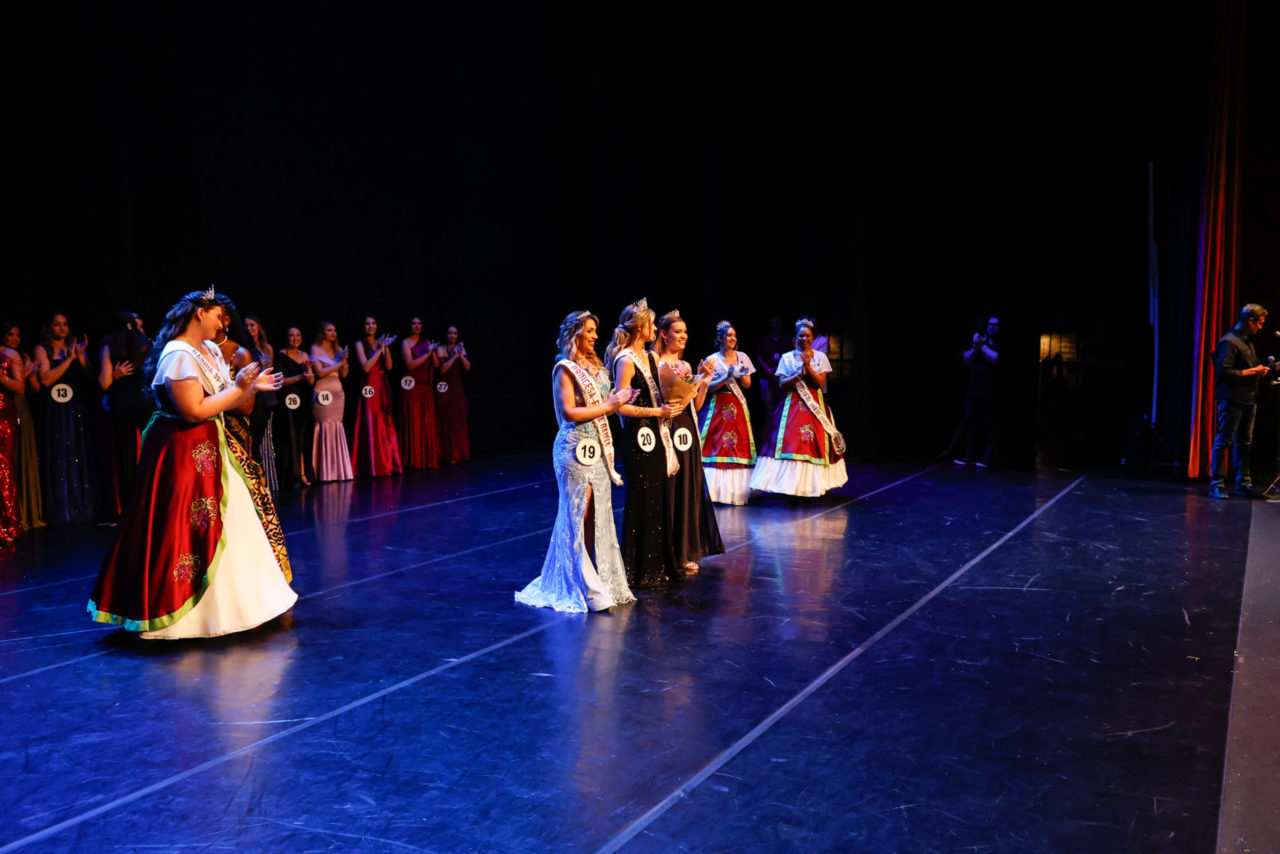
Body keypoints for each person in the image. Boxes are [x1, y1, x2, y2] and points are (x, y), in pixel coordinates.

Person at [87, 289, 296, 639]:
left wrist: (250, 387)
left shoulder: (208, 350)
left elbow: (221, 396)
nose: (222, 324)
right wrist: (240, 388)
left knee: (233, 523)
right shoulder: (178, 354)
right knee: (185, 530)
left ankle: (245, 607)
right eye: (217, 316)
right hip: (184, 452)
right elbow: (193, 410)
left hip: (211, 447)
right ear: (199, 313)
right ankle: (187, 615)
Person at [516, 311, 638, 612]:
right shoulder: (564, 368)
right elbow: (569, 412)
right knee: (576, 515)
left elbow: (604, 407)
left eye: (595, 330)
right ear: (575, 334)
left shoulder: (596, 366)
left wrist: (620, 401)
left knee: (598, 517)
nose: (595, 336)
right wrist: (610, 404)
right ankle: (584, 587)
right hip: (573, 449)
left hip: (597, 448)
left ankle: (597, 581)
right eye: (590, 330)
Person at [607, 298, 684, 589]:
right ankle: (638, 570)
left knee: (659, 498)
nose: (655, 329)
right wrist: (657, 412)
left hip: (655, 435)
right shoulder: (626, 359)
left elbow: (661, 391)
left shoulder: (651, 357)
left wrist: (679, 396)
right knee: (642, 500)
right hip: (637, 439)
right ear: (640, 328)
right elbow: (621, 407)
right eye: (652, 324)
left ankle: (659, 565)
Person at [214, 299, 291, 574]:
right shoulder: (199, 351)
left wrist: (212, 400)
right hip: (207, 433)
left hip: (234, 432)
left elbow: (246, 406)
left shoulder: (240, 354)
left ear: (225, 321)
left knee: (241, 495)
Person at [653, 310, 723, 573]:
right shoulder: (656, 363)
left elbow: (696, 405)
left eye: (685, 332)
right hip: (668, 427)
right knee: (672, 488)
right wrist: (696, 384)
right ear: (664, 334)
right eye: (677, 331)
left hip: (687, 428)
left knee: (687, 487)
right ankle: (667, 552)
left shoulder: (686, 366)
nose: (683, 336)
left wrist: (703, 382)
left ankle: (684, 550)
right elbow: (670, 400)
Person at [750, 318, 848, 497]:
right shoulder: (787, 358)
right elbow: (782, 383)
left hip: (815, 403)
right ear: (794, 339)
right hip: (792, 404)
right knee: (791, 442)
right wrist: (798, 374)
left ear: (812, 338)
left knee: (815, 442)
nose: (804, 338)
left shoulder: (820, 357)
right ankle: (792, 486)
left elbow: (820, 383)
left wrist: (808, 367)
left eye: (808, 336)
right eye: (801, 336)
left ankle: (812, 485)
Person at [34, 312, 99, 524]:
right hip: (55, 409)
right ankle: (60, 510)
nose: (62, 328)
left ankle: (81, 508)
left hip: (76, 407)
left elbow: (91, 377)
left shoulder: (75, 347)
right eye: (56, 324)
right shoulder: (42, 349)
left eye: (65, 324)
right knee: (58, 455)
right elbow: (46, 379)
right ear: (49, 327)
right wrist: (70, 359)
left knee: (78, 453)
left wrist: (80, 356)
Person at [1210, 303, 1273, 499]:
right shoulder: (1229, 342)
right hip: (1232, 398)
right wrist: (1253, 371)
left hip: (1248, 398)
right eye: (1259, 323)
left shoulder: (1246, 343)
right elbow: (1224, 372)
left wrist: (1265, 369)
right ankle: (1216, 484)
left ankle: (1243, 483)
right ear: (1250, 321)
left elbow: (1254, 367)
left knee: (1245, 441)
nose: (1260, 327)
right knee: (1225, 439)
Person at [97, 311, 155, 502]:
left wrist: (115, 375)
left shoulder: (109, 345)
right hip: (145, 400)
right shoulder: (147, 344)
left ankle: (129, 504)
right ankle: (152, 497)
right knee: (151, 450)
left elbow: (104, 382)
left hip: (121, 402)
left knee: (125, 457)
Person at [699, 320, 757, 505]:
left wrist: (742, 374)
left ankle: (736, 492)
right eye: (728, 335)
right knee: (717, 445)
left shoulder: (743, 357)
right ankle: (714, 493)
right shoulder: (711, 360)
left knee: (737, 445)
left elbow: (747, 385)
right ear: (719, 338)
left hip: (737, 406)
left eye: (734, 336)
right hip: (718, 407)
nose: (732, 338)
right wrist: (726, 376)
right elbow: (709, 388)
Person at [1, 323, 43, 531]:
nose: (15, 339)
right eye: (11, 334)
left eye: (18, 335)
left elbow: (27, 388)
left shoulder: (17, 356)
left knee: (13, 463)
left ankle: (15, 519)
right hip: (8, 409)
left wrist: (27, 374)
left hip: (14, 411)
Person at [350, 314, 402, 477]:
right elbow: (366, 367)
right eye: (367, 324)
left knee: (384, 423)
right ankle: (372, 465)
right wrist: (379, 349)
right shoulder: (360, 344)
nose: (371, 327)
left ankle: (387, 463)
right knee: (371, 421)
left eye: (373, 323)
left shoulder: (380, 343)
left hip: (382, 385)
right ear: (363, 327)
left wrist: (385, 347)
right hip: (369, 385)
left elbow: (389, 366)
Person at [310, 322, 354, 482]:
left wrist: (345, 361)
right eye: (329, 330)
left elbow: (344, 374)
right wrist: (339, 363)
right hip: (322, 391)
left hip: (337, 392)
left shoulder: (338, 349)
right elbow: (320, 373)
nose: (333, 333)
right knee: (324, 426)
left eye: (334, 330)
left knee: (336, 426)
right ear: (322, 333)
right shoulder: (315, 348)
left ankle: (338, 471)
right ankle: (323, 471)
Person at [955, 315, 1000, 468]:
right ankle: (970, 456)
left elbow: (996, 359)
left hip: (991, 391)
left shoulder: (996, 343)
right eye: (990, 324)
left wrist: (983, 346)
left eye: (995, 325)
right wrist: (975, 348)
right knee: (971, 424)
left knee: (990, 426)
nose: (992, 327)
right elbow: (965, 360)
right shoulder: (979, 341)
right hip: (973, 390)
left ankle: (988, 458)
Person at [274, 327, 316, 487]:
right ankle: (293, 475)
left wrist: (309, 371)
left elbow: (311, 381)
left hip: (304, 399)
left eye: (298, 335)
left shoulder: (304, 355)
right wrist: (300, 377)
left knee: (303, 435)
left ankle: (304, 473)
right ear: (287, 338)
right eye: (291, 336)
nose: (295, 338)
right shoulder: (281, 355)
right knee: (291, 436)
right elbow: (280, 381)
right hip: (289, 399)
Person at [399, 316, 440, 470]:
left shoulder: (427, 342)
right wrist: (427, 354)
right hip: (412, 388)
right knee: (414, 423)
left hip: (426, 388)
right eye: (414, 323)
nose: (417, 326)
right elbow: (410, 365)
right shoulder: (405, 342)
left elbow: (436, 364)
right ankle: (413, 461)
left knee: (426, 423)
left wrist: (432, 352)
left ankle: (426, 459)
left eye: (419, 323)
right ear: (409, 326)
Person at [244, 314, 279, 491]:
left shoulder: (267, 348)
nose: (249, 329)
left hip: (268, 396)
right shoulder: (245, 348)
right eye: (247, 326)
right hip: (254, 395)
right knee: (254, 436)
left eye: (252, 325)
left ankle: (266, 476)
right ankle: (255, 474)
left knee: (265, 434)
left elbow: (270, 370)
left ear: (258, 327)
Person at [435, 325, 471, 464]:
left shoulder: (460, 349)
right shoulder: (441, 349)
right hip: (444, 387)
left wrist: (460, 354)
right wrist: (454, 355)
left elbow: (467, 367)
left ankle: (459, 453)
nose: (452, 336)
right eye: (450, 333)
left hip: (457, 387)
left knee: (459, 419)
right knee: (446, 419)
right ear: (446, 334)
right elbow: (443, 369)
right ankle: (448, 455)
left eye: (455, 333)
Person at [0, 337, 23, 541]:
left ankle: (8, 525)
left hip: (3, 417)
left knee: (4, 468)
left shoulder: (7, 355)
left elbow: (20, 388)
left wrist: (2, 379)